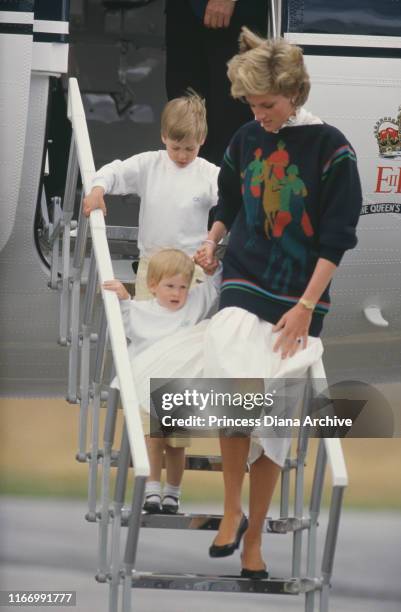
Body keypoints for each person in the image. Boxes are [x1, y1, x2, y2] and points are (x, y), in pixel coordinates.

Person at [191, 29, 363, 577]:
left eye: (267, 104)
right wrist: (213, 241)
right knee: (235, 376)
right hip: (244, 276)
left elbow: (337, 238)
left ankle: (254, 539)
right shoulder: (244, 139)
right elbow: (229, 201)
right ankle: (231, 507)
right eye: (252, 105)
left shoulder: (333, 149)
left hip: (299, 293)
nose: (258, 114)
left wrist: (308, 305)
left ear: (294, 92)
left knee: (276, 415)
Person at [104, 249, 221, 514]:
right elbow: (124, 323)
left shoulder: (192, 304)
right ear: (153, 285)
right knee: (153, 440)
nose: (176, 293)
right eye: (170, 286)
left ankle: (173, 493)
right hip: (149, 387)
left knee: (176, 446)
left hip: (179, 390)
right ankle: (152, 489)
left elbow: (214, 286)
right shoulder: (142, 310)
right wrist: (123, 299)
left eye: (182, 287)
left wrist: (213, 266)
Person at [83, 91, 219, 299]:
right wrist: (98, 189)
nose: (182, 155)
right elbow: (115, 171)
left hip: (191, 267)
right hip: (151, 265)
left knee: (186, 327)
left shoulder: (210, 173)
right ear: (164, 136)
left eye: (190, 149)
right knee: (146, 323)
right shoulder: (149, 165)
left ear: (202, 139)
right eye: (176, 148)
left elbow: (233, 200)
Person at [165, 0, 268, 165]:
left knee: (230, 120)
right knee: (183, 115)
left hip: (236, 15)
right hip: (184, 12)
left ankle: (224, 188)